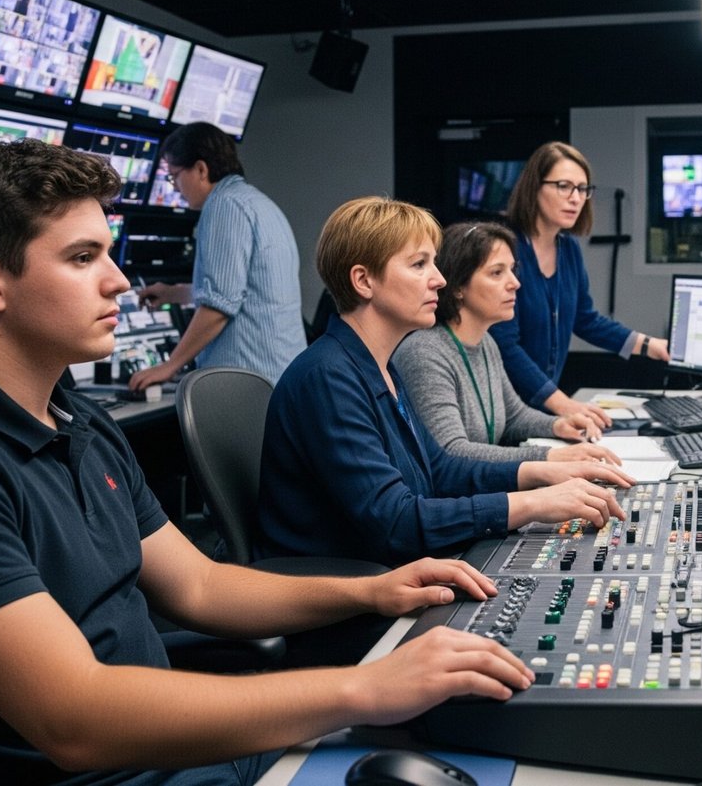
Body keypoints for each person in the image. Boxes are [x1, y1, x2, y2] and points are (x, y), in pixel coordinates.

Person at [0, 140, 535, 784]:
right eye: (82, 258)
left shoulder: (81, 422)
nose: (118, 281)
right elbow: (76, 718)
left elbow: (198, 586)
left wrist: (374, 592)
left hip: (183, 754)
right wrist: (366, 687)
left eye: (108, 254)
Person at [257, 197, 635, 566]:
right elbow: (395, 522)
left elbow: (438, 469)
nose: (439, 279)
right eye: (419, 264)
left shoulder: (377, 364)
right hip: (344, 585)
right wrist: (531, 503)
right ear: (364, 281)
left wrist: (543, 471)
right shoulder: (329, 378)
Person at [394, 220, 624, 464]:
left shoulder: (486, 343)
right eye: (497, 272)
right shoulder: (424, 353)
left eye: (512, 270)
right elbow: (451, 451)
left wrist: (557, 424)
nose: (515, 283)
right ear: (458, 286)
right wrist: (550, 456)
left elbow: (514, 416)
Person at [491, 142, 671, 428]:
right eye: (564, 186)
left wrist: (649, 346)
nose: (576, 198)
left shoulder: (569, 249)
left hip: (545, 409)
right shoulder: (505, 249)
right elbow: (504, 345)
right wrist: (563, 403)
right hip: (505, 411)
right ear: (534, 187)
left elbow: (585, 319)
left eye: (583, 189)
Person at [130, 123, 306, 389]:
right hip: (281, 377)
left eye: (174, 176)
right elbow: (246, 292)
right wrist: (171, 293)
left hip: (248, 383)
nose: (175, 188)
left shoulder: (223, 205)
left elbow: (219, 306)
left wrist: (169, 366)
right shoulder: (259, 203)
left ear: (201, 169)